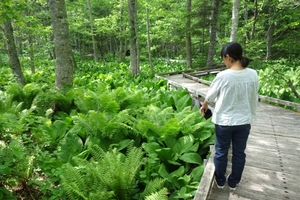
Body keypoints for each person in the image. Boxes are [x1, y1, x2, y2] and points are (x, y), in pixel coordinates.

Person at [200, 42, 259, 190]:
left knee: (221, 152)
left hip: (224, 122)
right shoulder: (253, 74)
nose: (224, 62)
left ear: (228, 57)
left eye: (223, 59)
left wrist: (205, 104)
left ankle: (220, 180)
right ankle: (233, 182)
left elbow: (211, 96)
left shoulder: (223, 76)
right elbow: (254, 96)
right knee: (239, 153)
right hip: (244, 121)